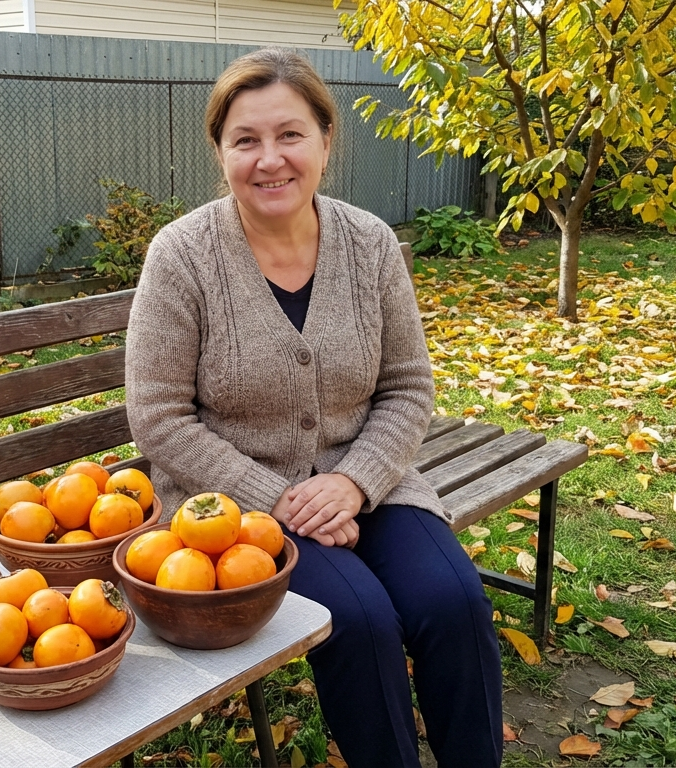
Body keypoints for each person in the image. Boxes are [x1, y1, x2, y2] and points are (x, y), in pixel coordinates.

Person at [124, 47, 503, 767]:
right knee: (358, 620)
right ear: (220, 152)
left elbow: (407, 386)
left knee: (453, 601)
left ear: (326, 141)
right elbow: (158, 416)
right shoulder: (182, 256)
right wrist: (280, 498)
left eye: (290, 134)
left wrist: (354, 482)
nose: (270, 159)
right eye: (246, 139)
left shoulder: (371, 245)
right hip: (228, 511)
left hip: (370, 482)